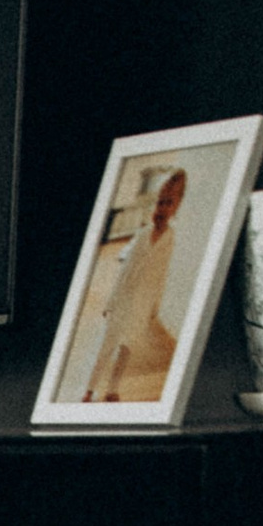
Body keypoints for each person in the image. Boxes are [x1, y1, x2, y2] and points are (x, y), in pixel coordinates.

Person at [81, 164, 188, 402]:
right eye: (160, 202)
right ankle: (89, 388)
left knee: (126, 350)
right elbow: (125, 271)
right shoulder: (142, 234)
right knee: (107, 346)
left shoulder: (170, 238)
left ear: (176, 206)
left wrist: (154, 307)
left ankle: (112, 389)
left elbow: (161, 275)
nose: (162, 208)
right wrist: (111, 302)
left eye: (168, 203)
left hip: (142, 304)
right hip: (123, 301)